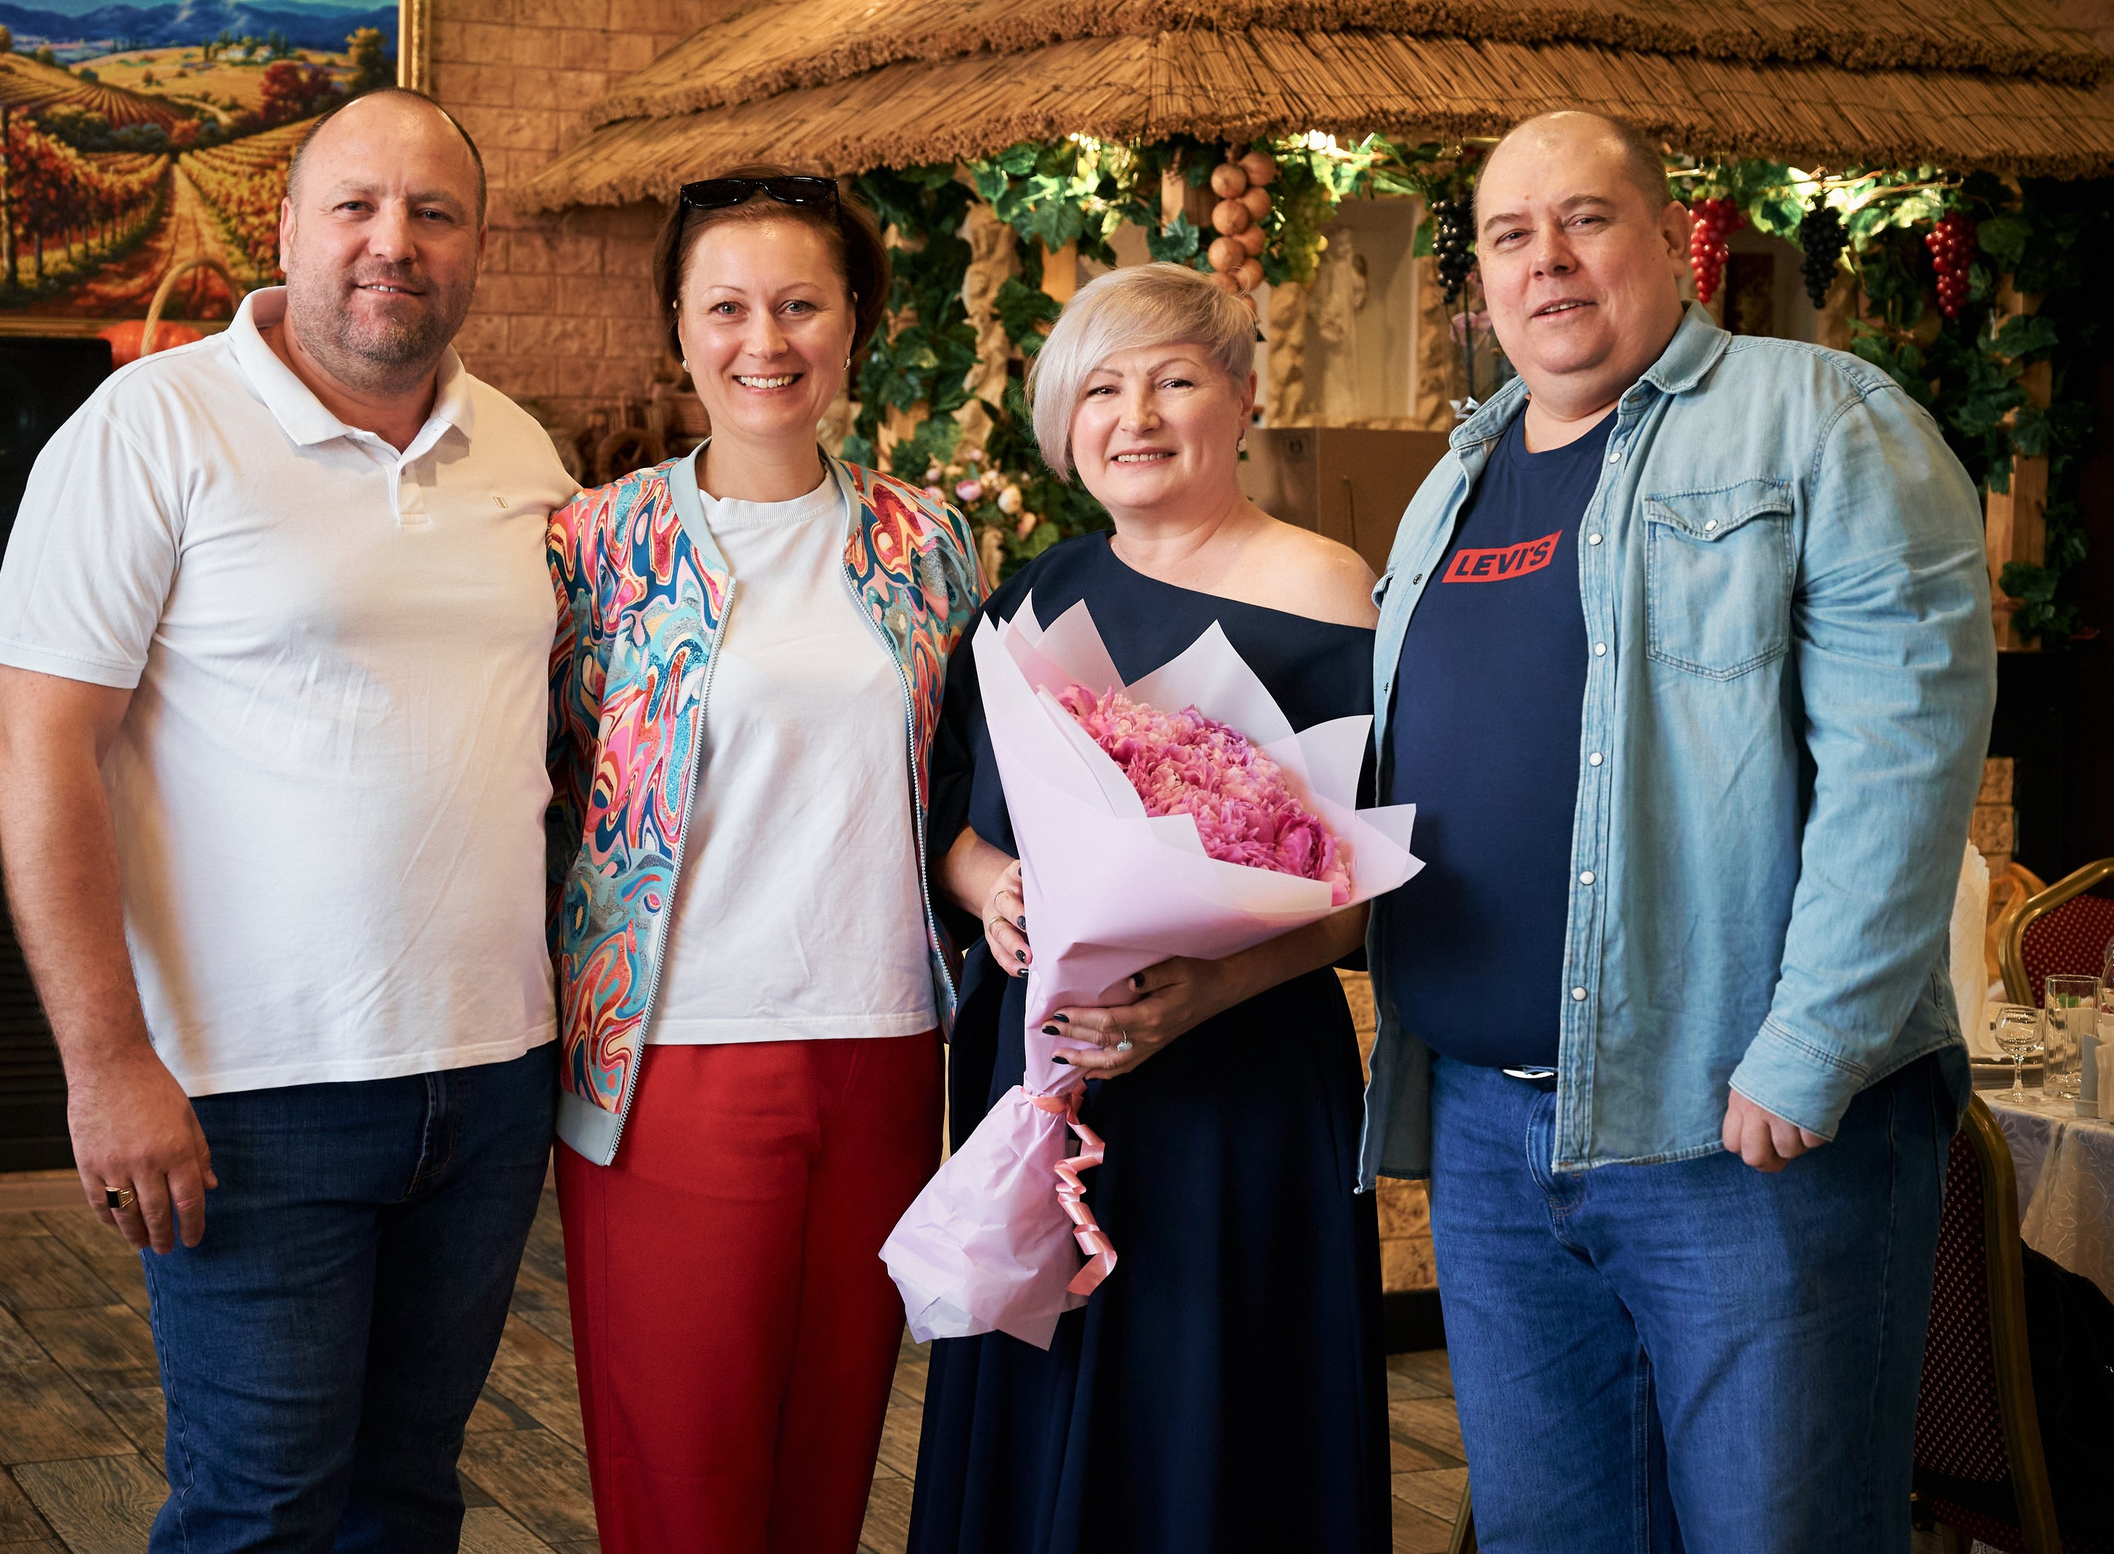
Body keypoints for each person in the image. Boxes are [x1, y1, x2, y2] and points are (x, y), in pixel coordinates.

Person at [1369, 110, 1994, 1552]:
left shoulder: (1821, 417)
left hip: (1743, 1127)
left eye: (1585, 219)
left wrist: (1813, 1050)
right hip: (1489, 1124)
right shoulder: (1451, 481)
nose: (1549, 262)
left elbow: (1906, 756)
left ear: (1671, 235)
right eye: (1512, 235)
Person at [0, 87, 575, 1554]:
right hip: (254, 1089)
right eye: (359, 209)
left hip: (492, 1078)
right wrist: (108, 1060)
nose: (396, 244)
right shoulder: (150, 427)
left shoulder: (525, 455)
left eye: (434, 214)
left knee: (408, 1498)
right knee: (261, 1511)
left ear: (479, 244)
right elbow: (42, 748)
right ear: (290, 227)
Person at [907, 260, 1391, 1554]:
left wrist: (1207, 988)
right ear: (1068, 419)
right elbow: (949, 818)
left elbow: (1353, 889)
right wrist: (988, 884)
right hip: (1052, 1080)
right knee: (1042, 1392)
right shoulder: (1024, 597)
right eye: (1104, 387)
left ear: (1242, 398)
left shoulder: (1329, 588)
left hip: (1239, 1084)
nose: (1139, 414)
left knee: (1215, 1419)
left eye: (1176, 379)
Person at [545, 169, 981, 1554]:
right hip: (678, 1052)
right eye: (727, 306)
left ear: (855, 324)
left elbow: (967, 781)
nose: (765, 341)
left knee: (832, 1450)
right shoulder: (595, 547)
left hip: (886, 1046)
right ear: (679, 327)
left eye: (801, 305)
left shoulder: (932, 546)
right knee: (688, 1465)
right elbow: (539, 776)